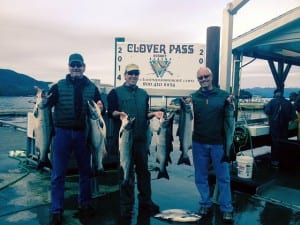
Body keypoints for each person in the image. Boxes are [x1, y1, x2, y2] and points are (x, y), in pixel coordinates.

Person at [46, 53, 105, 225]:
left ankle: (85, 204)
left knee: (85, 172)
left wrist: (102, 106)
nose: (76, 68)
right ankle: (56, 210)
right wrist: (42, 100)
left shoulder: (92, 87)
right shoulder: (58, 86)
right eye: (73, 65)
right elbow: (46, 106)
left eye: (79, 65)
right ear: (69, 66)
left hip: (83, 134)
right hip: (61, 133)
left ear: (84, 67)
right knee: (58, 174)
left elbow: (102, 106)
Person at [107, 63, 162, 219]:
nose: (133, 76)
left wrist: (154, 114)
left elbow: (144, 115)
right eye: (130, 73)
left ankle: (146, 201)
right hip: (124, 141)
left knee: (144, 172)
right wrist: (120, 115)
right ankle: (126, 204)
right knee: (126, 172)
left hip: (140, 141)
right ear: (125, 75)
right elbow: (111, 112)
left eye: (136, 73)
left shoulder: (144, 94)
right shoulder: (114, 93)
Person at [189, 67, 234, 223]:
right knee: (200, 176)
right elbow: (183, 110)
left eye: (206, 76)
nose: (203, 79)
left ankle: (226, 208)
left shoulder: (223, 96)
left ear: (211, 76)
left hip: (218, 144)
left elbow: (231, 117)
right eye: (200, 78)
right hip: (198, 143)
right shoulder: (194, 97)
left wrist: (232, 102)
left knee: (224, 178)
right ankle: (205, 203)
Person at [264, 89, 297, 167]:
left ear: (276, 94)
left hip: (274, 125)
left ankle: (275, 161)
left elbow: (267, 111)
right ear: (282, 94)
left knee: (275, 142)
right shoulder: (288, 103)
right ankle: (283, 159)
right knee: (284, 141)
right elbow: (294, 118)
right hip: (284, 126)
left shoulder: (272, 101)